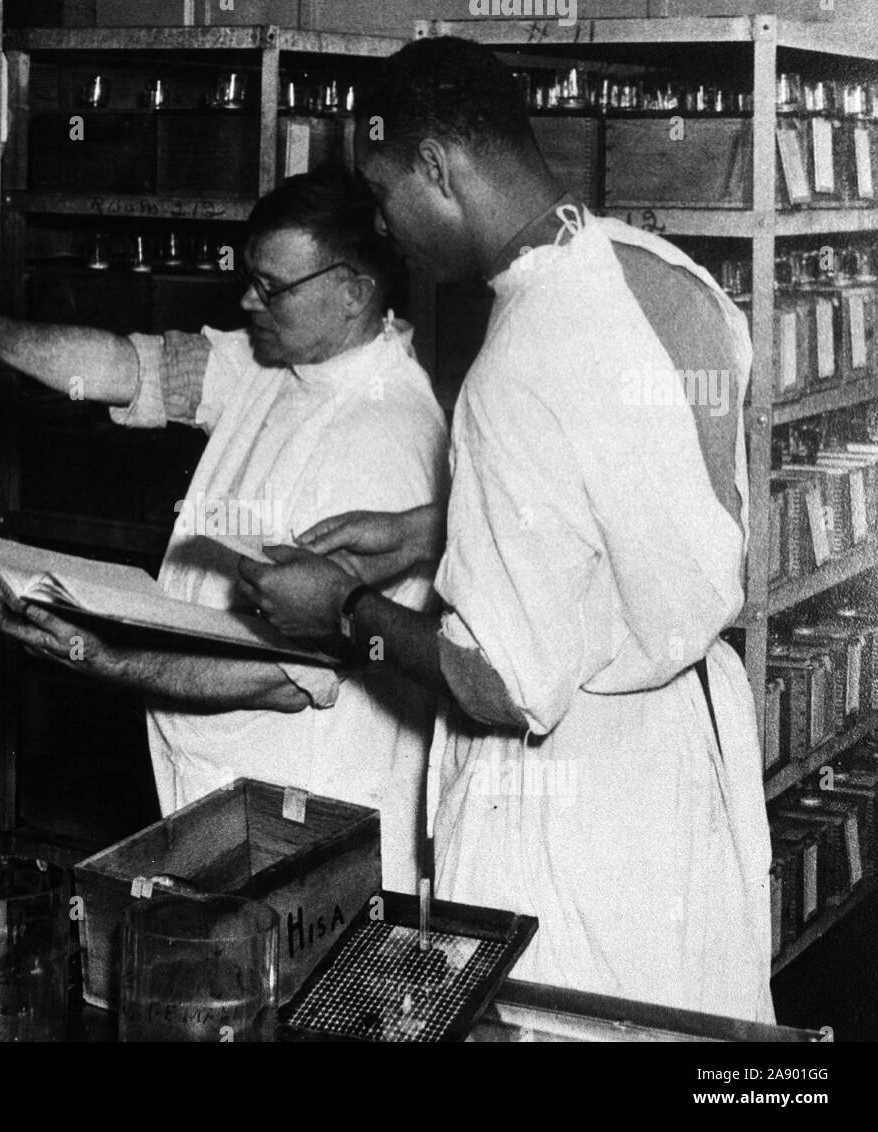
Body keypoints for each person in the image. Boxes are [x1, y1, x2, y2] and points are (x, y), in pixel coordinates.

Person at [237, 37, 775, 1022]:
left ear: (438, 167)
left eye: (385, 188)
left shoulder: (512, 365)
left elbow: (500, 685)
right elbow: (626, 502)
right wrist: (423, 531)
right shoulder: (664, 275)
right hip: (678, 764)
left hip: (570, 807)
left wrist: (343, 611)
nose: (384, 225)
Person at [0, 166, 449, 893]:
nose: (249, 299)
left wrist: (112, 660)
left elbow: (290, 678)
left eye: (271, 286)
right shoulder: (279, 364)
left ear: (353, 292)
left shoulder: (386, 433)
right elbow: (128, 367)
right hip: (224, 786)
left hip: (309, 813)